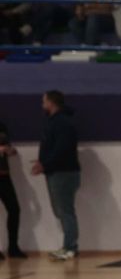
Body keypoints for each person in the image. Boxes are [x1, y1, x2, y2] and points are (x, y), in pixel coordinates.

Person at [34, 90, 79, 260]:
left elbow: (62, 149)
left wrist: (45, 164)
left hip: (63, 173)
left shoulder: (62, 123)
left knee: (65, 210)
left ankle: (70, 247)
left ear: (51, 103)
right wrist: (42, 163)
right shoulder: (54, 122)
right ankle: (69, 245)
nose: (42, 105)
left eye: (44, 101)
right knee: (60, 210)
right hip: (55, 171)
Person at [0, 120, 22, 258]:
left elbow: (7, 146)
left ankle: (13, 247)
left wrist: (10, 150)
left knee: (14, 209)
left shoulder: (2, 126)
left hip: (4, 175)